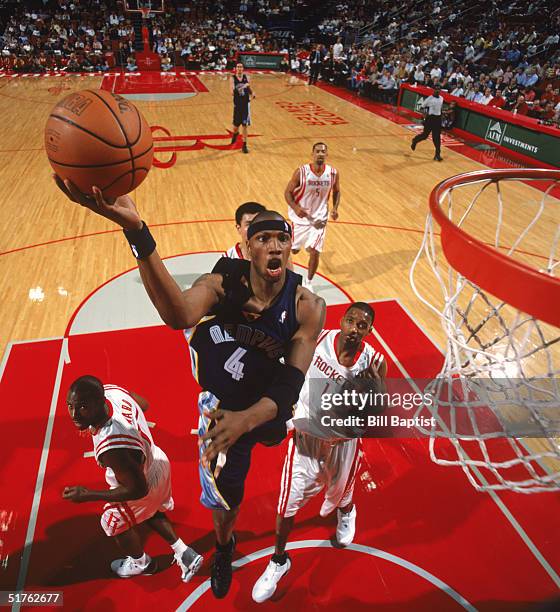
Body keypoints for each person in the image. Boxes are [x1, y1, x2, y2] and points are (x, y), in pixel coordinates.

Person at [53, 178, 326, 599]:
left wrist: (248, 420)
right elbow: (177, 313)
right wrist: (135, 231)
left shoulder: (307, 306)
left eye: (282, 238)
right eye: (264, 237)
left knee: (288, 454)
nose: (275, 245)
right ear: (248, 247)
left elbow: (291, 384)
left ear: (291, 248)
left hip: (266, 409)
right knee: (223, 504)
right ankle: (223, 548)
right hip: (220, 412)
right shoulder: (222, 282)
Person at [251, 303, 387, 603]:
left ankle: (347, 511)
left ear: (369, 331)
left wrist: (374, 386)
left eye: (362, 325)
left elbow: (377, 414)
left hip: (342, 445)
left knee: (341, 490)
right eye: (351, 321)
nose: (354, 329)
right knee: (286, 504)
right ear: (342, 320)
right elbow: (283, 368)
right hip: (305, 441)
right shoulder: (317, 340)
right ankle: (278, 560)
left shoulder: (374, 363)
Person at [63, 376, 203, 581]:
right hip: (158, 461)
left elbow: (138, 490)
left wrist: (86, 494)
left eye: (82, 407)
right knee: (147, 509)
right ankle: (184, 552)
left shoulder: (112, 446)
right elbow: (143, 404)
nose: (74, 414)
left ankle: (141, 564)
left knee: (111, 522)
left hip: (142, 483)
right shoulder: (112, 391)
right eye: (70, 406)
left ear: (98, 402)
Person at [284, 142, 340, 288]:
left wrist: (335, 208)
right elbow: (287, 193)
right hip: (300, 219)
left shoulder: (333, 173)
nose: (320, 154)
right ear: (312, 154)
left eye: (323, 151)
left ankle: (308, 283)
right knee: (294, 250)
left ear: (327, 154)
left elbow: (337, 191)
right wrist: (296, 208)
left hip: (319, 219)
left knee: (315, 251)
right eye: (317, 151)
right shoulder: (301, 172)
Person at [411, 84, 444, 161]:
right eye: (436, 89)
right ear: (434, 90)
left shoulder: (442, 98)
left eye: (439, 89)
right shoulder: (429, 99)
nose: (437, 90)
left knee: (436, 138)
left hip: (437, 119)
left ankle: (437, 154)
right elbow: (421, 107)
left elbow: (440, 108)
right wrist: (424, 116)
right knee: (425, 135)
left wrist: (441, 116)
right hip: (430, 118)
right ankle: (415, 140)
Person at [230, 62, 255, 154]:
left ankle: (244, 145)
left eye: (241, 67)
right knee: (236, 126)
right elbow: (232, 92)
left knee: (244, 125)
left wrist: (252, 93)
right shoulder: (232, 78)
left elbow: (248, 88)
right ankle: (235, 134)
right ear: (235, 68)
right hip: (237, 105)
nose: (239, 68)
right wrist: (243, 86)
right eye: (238, 67)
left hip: (245, 104)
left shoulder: (246, 77)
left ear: (243, 68)